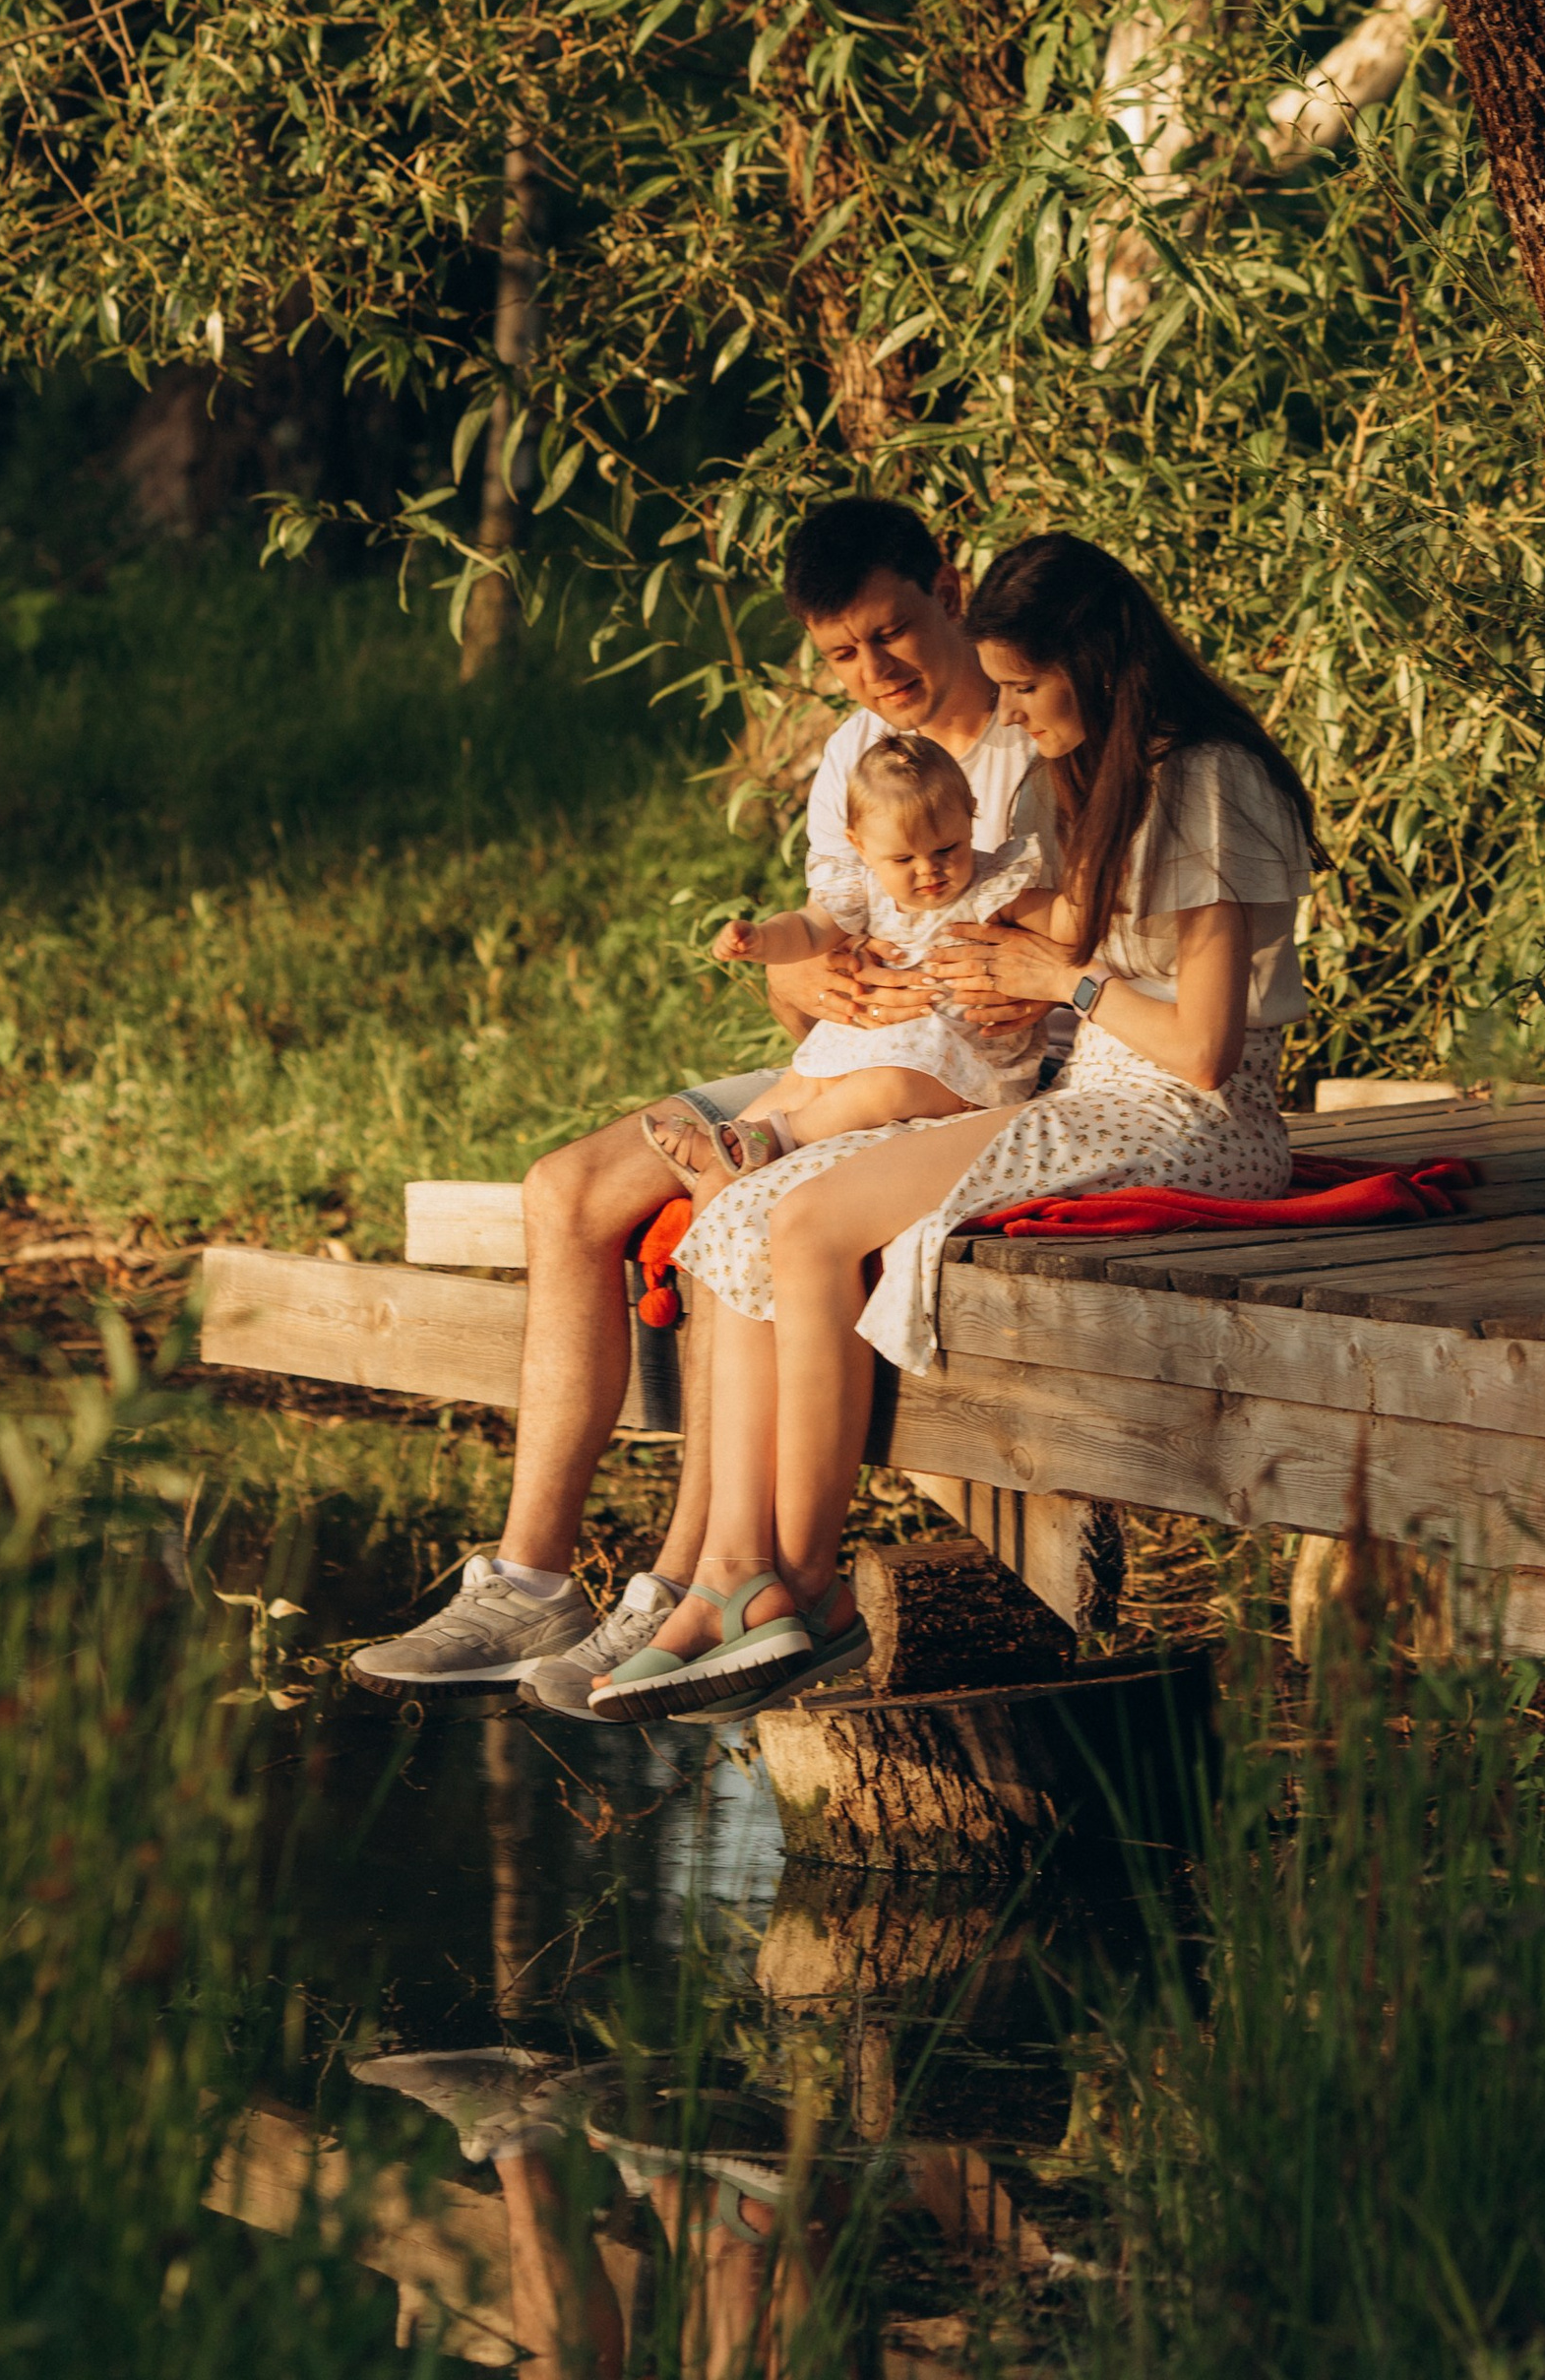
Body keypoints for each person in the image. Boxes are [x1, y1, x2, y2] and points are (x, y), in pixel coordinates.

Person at [588, 532, 1321, 1722]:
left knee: (816, 1221)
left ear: (1094, 662)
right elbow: (1065, 935)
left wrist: (1051, 979)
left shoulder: (1214, 779)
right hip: (1095, 1091)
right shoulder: (1112, 772)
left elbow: (1200, 1047)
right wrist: (982, 971)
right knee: (756, 1208)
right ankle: (737, 1575)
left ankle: (805, 1591)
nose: (1018, 717)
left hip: (1193, 1121)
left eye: (1028, 688)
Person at [348, 495, 1047, 1706]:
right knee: (564, 1192)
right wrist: (798, 969)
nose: (875, 672)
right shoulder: (850, 754)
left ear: (949, 581)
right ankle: (528, 1584)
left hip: (949, 1083)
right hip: (831, 1063)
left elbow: (1059, 971)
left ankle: (675, 1591)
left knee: (742, 1201)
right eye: (841, 653)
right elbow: (808, 968)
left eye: (892, 633)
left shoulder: (1034, 742)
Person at [672, 733, 1046, 1173]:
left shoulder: (992, 888)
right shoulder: (864, 891)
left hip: (964, 1067)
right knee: (804, 1081)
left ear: (970, 817)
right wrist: (762, 939)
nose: (929, 869)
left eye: (947, 849)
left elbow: (1063, 924)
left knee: (885, 1087)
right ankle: (731, 1143)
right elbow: (809, 930)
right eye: (903, 859)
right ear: (861, 845)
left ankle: (782, 1136)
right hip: (878, 1041)